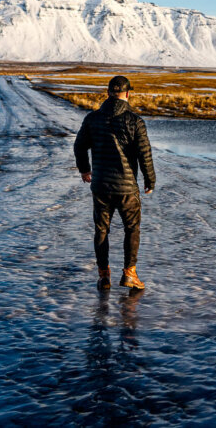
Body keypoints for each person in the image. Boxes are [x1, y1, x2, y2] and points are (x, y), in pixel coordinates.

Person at [74, 75, 155, 290]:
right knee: (132, 229)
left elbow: (79, 145)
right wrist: (150, 179)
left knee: (101, 230)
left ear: (108, 92)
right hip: (127, 187)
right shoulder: (135, 121)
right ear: (128, 94)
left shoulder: (93, 118)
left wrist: (84, 169)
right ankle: (130, 273)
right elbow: (144, 153)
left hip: (100, 185)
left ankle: (104, 276)